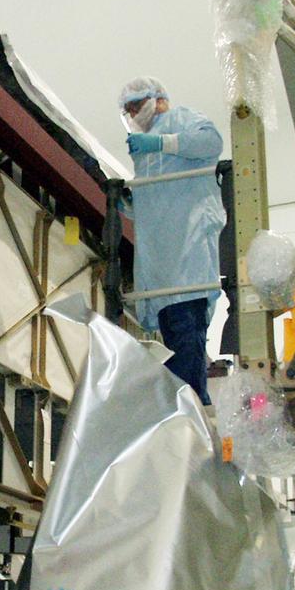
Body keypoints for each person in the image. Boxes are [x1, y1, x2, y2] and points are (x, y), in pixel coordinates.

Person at [118, 76, 227, 406]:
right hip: (163, 263)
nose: (135, 114)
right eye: (129, 110)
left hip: (187, 254)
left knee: (185, 336)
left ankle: (193, 406)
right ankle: (189, 404)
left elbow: (211, 144)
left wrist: (162, 143)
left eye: (138, 106)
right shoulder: (143, 150)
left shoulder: (181, 120)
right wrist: (128, 205)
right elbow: (155, 201)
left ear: (158, 99)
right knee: (177, 336)